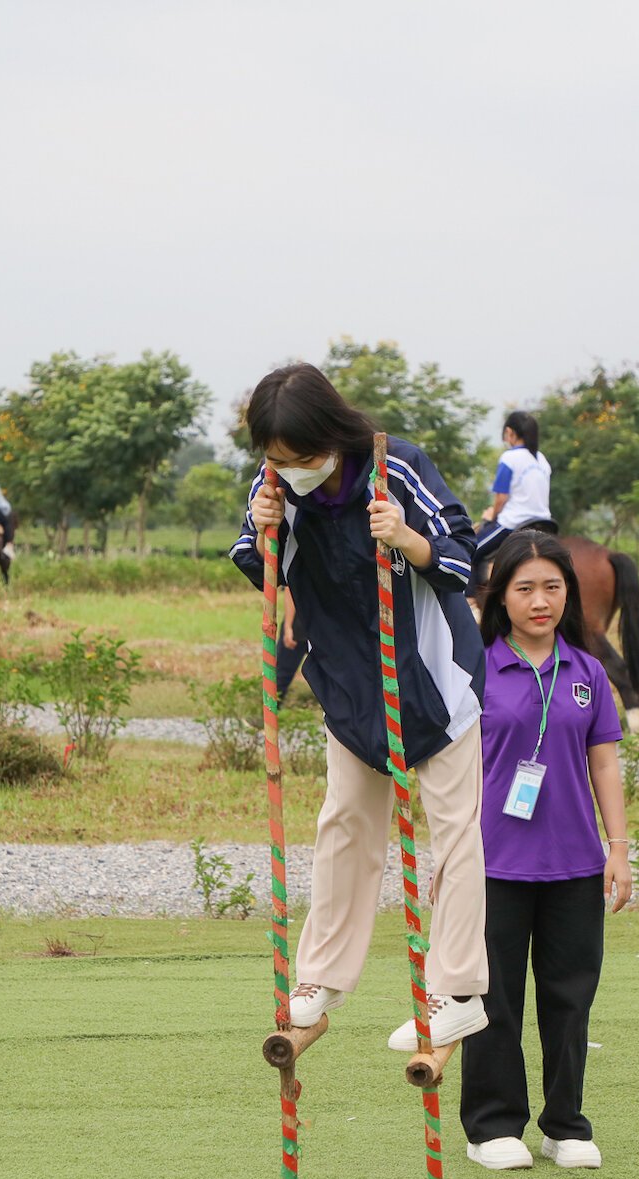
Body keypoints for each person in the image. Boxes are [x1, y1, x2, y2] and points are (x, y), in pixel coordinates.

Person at [229, 362, 491, 1049]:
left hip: (432, 678)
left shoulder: (395, 467)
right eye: (277, 461)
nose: (292, 472)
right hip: (349, 683)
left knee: (455, 829)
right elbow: (259, 569)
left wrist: (405, 538)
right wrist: (265, 529)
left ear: (333, 436)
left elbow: (467, 556)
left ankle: (458, 988)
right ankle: (320, 979)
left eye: (304, 459)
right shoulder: (276, 483)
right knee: (344, 823)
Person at [459, 529, 628, 1170]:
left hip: (575, 864)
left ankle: (565, 1125)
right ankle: (493, 1128)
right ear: (500, 597)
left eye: (552, 588)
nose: (540, 601)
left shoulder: (587, 672)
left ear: (569, 595)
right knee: (493, 997)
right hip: (492, 862)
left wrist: (619, 848)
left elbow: (605, 765)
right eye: (524, 588)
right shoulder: (473, 672)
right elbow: (448, 769)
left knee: (569, 998)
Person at [473, 410, 557, 568]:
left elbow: (501, 498)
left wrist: (492, 516)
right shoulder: (542, 459)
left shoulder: (509, 458)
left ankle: (468, 594)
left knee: (469, 552)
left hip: (513, 523)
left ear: (509, 432)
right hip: (545, 523)